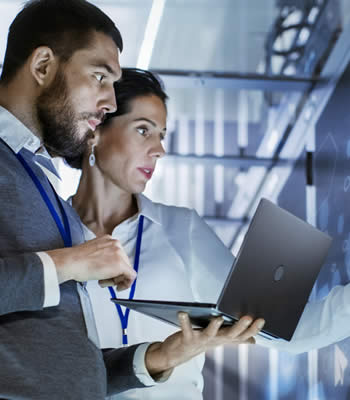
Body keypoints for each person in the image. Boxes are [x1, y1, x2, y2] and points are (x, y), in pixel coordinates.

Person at [0, 1, 264, 399]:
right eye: (99, 76)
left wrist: (163, 354)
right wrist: (70, 263)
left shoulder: (40, 181)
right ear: (42, 66)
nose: (107, 102)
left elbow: (67, 365)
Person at [68, 67, 350, 399]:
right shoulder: (50, 234)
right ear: (96, 130)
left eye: (162, 135)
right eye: (143, 130)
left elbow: (289, 332)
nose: (158, 149)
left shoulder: (179, 228)